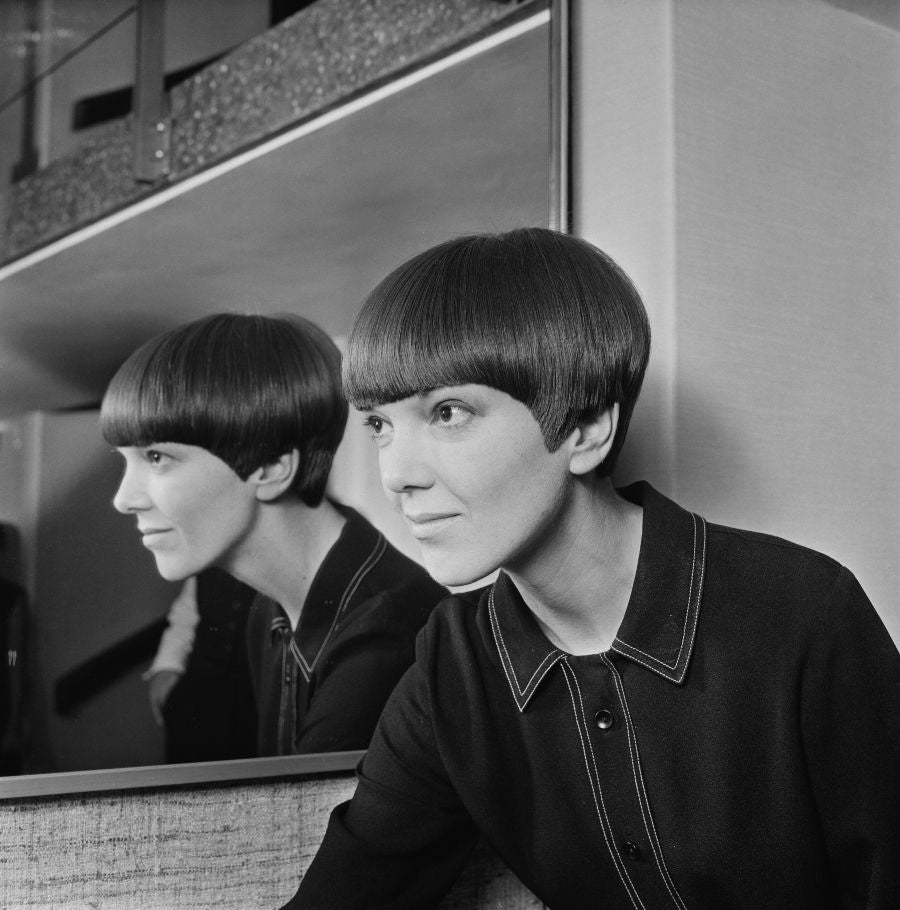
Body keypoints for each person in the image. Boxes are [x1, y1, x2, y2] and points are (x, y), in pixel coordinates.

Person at [285, 228, 900, 909]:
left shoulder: (802, 614)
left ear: (585, 429)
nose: (396, 474)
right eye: (379, 426)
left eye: (448, 412)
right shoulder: (452, 667)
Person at [101, 313, 446, 756]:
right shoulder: (269, 611)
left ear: (271, 467)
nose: (124, 498)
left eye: (157, 457)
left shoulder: (388, 637)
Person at [145, 568, 258, 763]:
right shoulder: (207, 557)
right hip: (200, 695)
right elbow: (186, 614)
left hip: (255, 700)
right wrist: (166, 666)